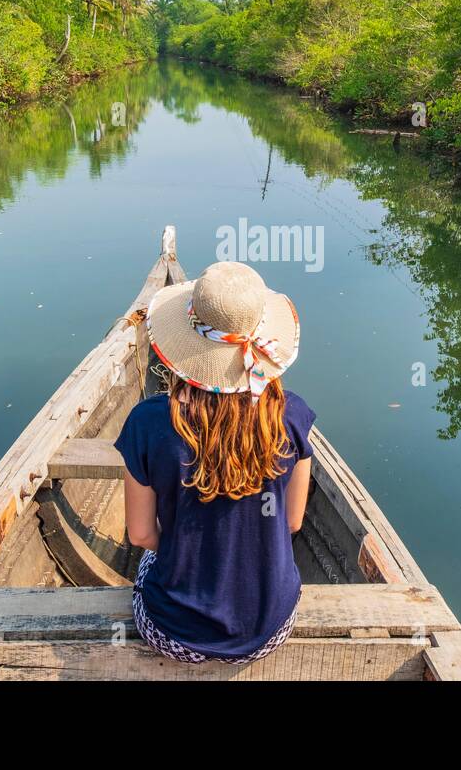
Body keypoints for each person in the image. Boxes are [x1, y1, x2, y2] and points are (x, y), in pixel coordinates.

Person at [115, 259, 316, 664]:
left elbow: (140, 535)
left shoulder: (148, 422)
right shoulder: (293, 415)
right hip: (269, 631)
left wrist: (179, 550)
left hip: (172, 635)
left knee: (150, 559)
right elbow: (293, 523)